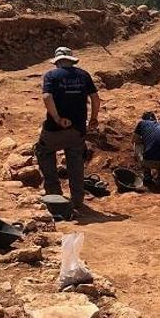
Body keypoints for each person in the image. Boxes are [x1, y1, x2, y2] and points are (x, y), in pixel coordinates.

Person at [35, 47, 101, 218]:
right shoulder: (83, 75)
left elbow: (46, 97)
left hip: (54, 129)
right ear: (71, 60)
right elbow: (95, 97)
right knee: (76, 162)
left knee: (44, 152)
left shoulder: (51, 76)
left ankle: (55, 197)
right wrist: (93, 118)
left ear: (57, 62)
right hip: (77, 130)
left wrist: (57, 118)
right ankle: (77, 201)